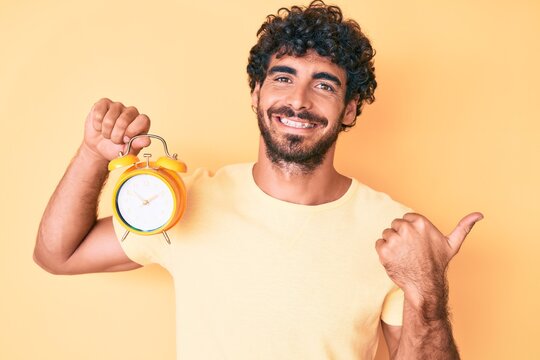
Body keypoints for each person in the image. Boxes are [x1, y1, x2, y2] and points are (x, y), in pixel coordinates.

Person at [34, 1, 483, 359]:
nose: (298, 100)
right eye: (283, 77)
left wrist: (427, 290)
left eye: (324, 85)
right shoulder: (183, 200)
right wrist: (93, 154)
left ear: (349, 109)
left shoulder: (395, 234)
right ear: (256, 93)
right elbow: (58, 255)